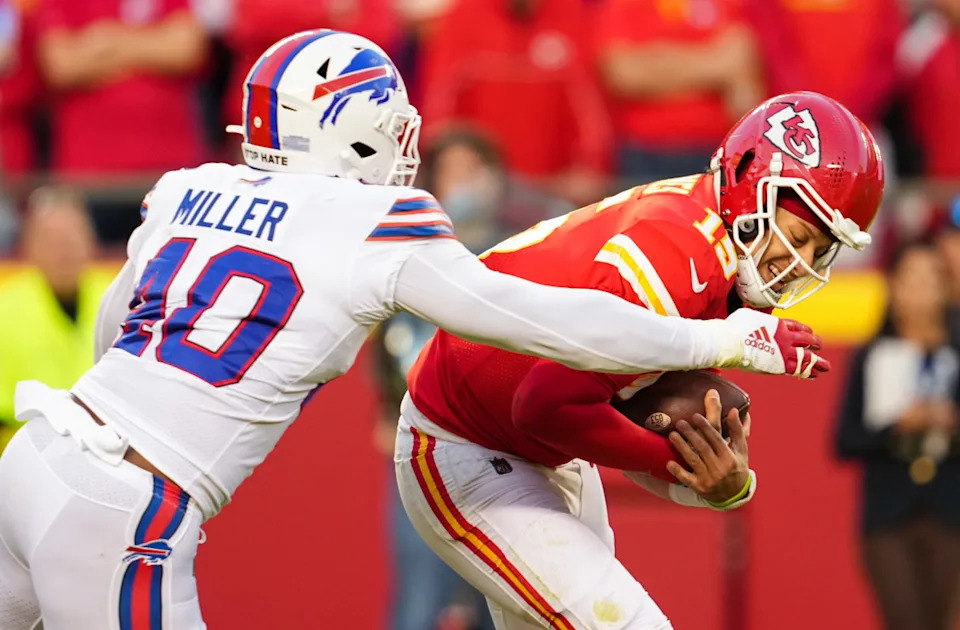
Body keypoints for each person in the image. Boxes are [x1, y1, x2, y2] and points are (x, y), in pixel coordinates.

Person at [0, 31, 825, 630]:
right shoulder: (374, 221)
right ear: (352, 129)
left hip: (37, 457)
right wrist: (727, 342)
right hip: (129, 504)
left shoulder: (188, 187)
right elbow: (542, 321)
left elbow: (115, 334)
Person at [396, 91, 885, 629]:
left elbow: (612, 413)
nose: (801, 264)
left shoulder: (714, 248)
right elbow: (545, 406)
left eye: (821, 250)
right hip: (463, 439)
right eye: (798, 236)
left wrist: (719, 484)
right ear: (751, 185)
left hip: (538, 448)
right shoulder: (679, 252)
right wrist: (675, 459)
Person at [835, 238, 960, 630]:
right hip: (888, 514)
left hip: (949, 511)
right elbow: (844, 440)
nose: (922, 290)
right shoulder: (872, 354)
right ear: (893, 286)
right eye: (911, 279)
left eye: (931, 279)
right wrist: (896, 428)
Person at [0, 187, 111, 452]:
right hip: (25, 455)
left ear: (91, 242)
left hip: (110, 452)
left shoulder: (118, 300)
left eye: (72, 238)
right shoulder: (5, 309)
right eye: (51, 240)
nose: (64, 250)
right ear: (28, 247)